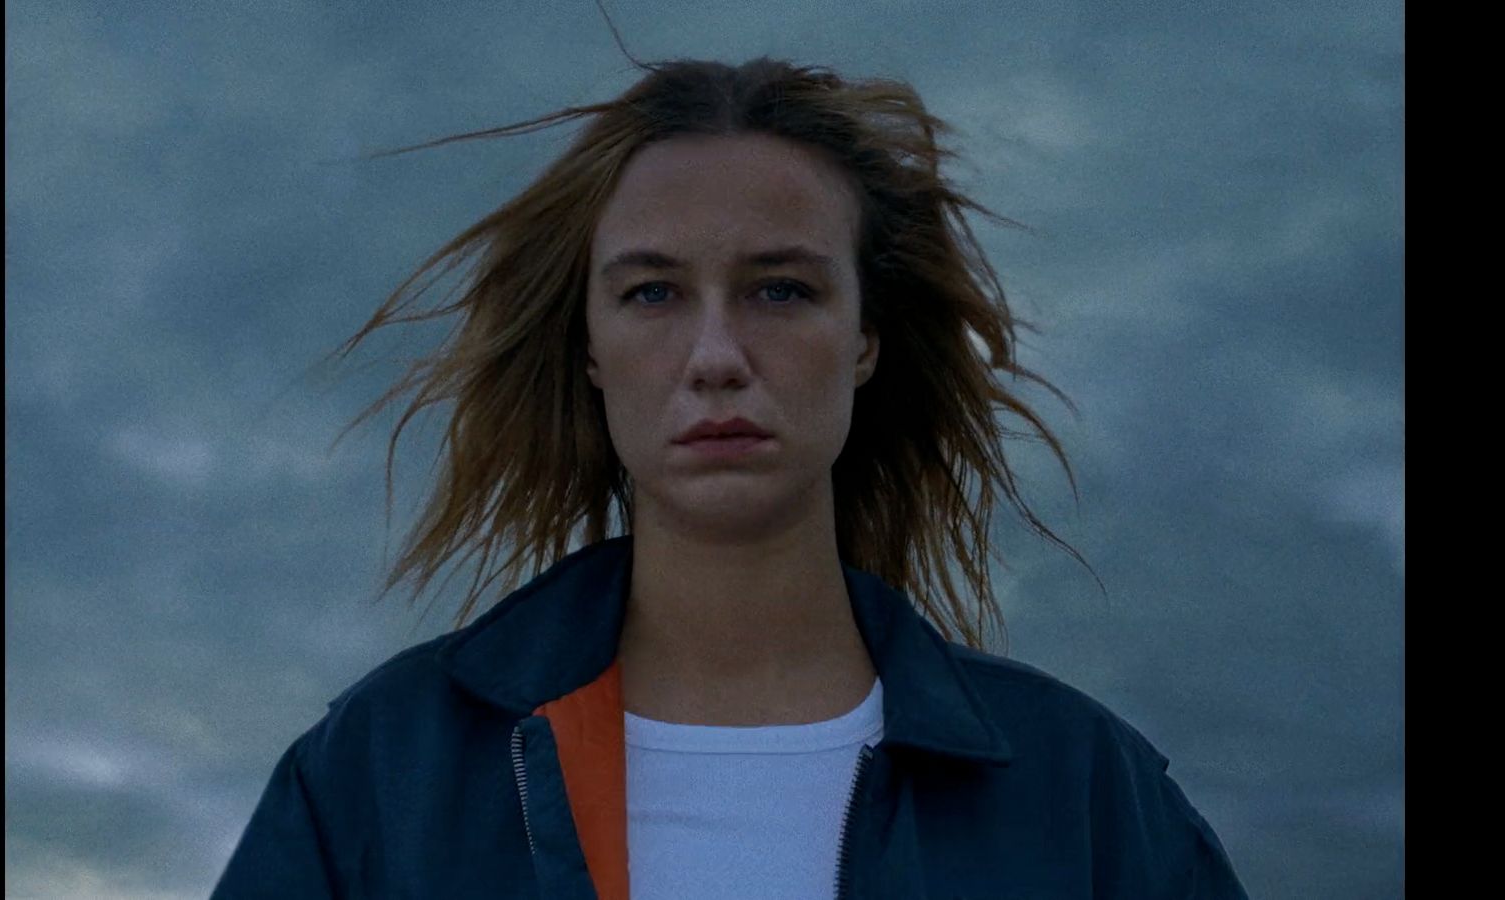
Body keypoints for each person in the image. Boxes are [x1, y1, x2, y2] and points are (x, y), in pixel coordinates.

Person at [212, 46, 1251, 900]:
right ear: (588, 348)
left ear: (865, 338)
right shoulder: (383, 774)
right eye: (653, 294)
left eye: (781, 290)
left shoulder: (1081, 791)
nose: (715, 356)